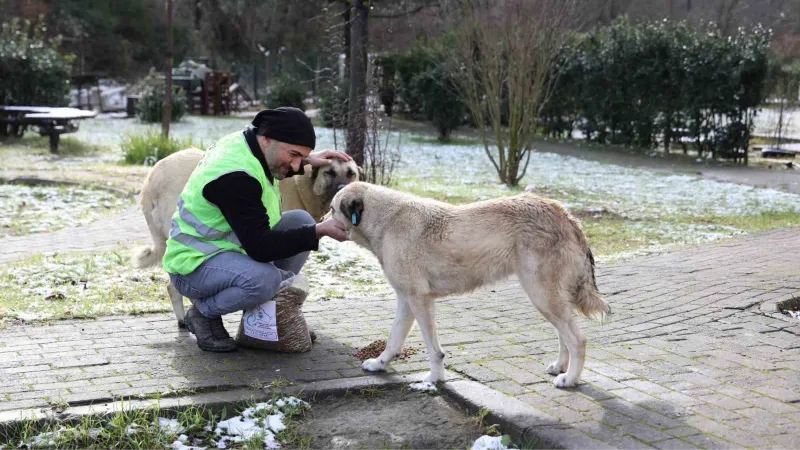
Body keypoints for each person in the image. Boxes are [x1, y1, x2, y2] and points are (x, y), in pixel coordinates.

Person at [162, 107, 351, 352]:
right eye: (293, 154)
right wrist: (319, 231)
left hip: (227, 251)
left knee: (300, 221)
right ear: (267, 139)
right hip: (194, 266)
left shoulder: (249, 143)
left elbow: (275, 163)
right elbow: (261, 248)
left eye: (300, 157)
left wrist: (305, 159)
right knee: (265, 279)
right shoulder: (235, 176)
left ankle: (262, 319)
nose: (296, 164)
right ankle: (202, 314)